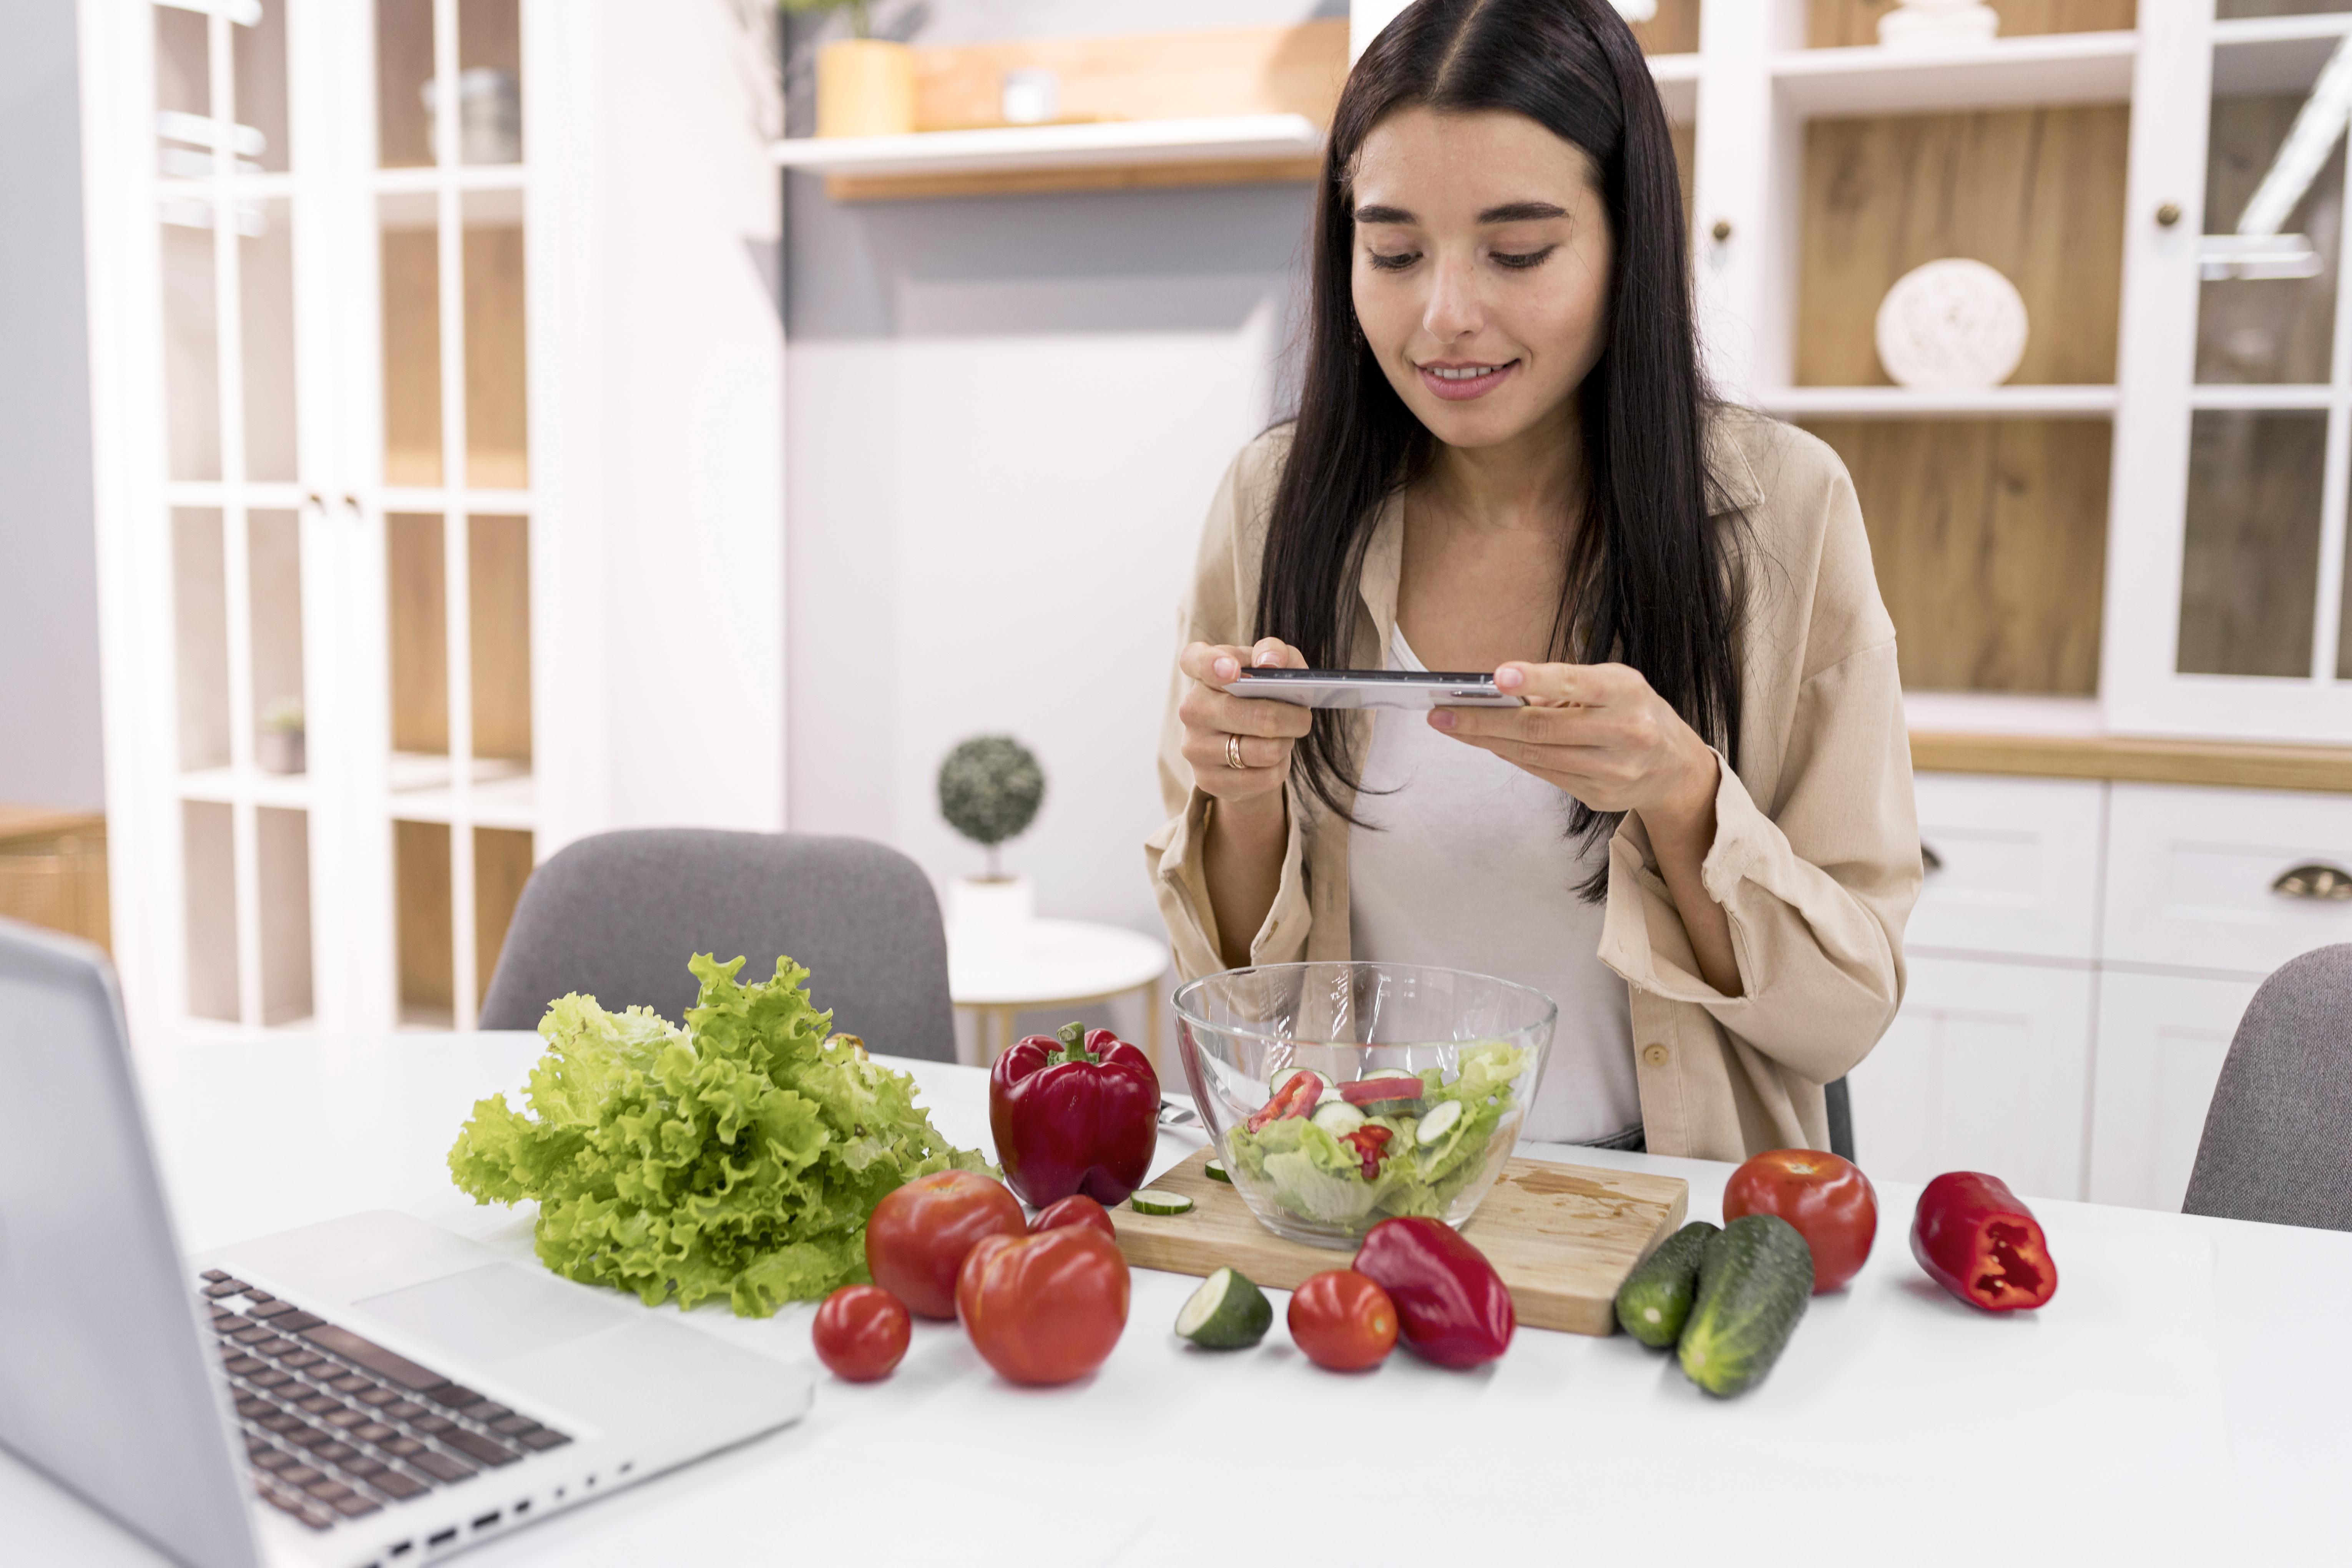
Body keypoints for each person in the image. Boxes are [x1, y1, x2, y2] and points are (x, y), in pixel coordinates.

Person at [1144, 0, 1920, 1160]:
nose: (1447, 316)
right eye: (1395, 252)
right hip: (1358, 1207)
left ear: (1627, 243)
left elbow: (1844, 1014)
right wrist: (1243, 798)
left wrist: (1681, 792)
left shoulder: (1783, 507)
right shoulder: (1274, 504)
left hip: (1664, 1220)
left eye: (1519, 253)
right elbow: (1237, 1004)